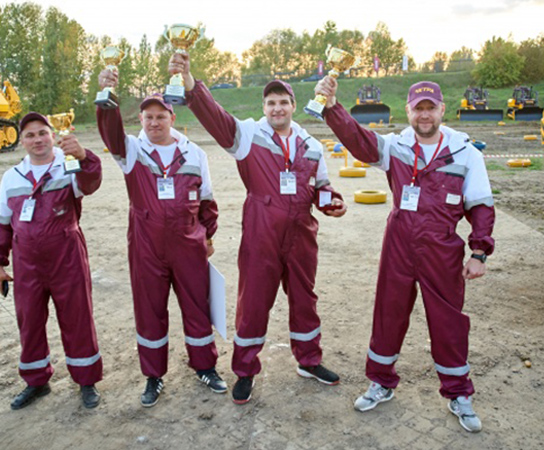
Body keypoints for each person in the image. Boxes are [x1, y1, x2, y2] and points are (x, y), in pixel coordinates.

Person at [315, 78, 495, 432]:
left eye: (430, 108)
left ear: (442, 110)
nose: (424, 115)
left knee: (448, 321)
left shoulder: (466, 152)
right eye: (418, 109)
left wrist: (479, 251)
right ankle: (381, 382)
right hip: (399, 240)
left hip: (442, 246)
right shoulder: (395, 146)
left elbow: (481, 205)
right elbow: (357, 139)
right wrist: (332, 106)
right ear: (408, 111)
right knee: (389, 311)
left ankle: (458, 392)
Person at [168, 53, 348, 405]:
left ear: (294, 105)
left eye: (283, 102)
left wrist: (332, 201)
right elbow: (215, 117)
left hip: (301, 233)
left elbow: (322, 186)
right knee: (253, 303)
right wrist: (190, 84)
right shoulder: (248, 135)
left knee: (305, 299)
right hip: (261, 231)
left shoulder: (311, 145)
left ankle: (309, 361)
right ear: (263, 106)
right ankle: (246, 371)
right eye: (271, 102)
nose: (277, 108)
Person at [97, 70, 226, 408]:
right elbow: (110, 133)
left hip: (188, 244)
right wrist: (107, 94)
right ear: (140, 119)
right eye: (148, 117)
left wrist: (208, 235)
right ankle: (154, 376)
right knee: (150, 310)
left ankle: (206, 366)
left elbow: (208, 200)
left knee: (197, 306)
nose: (154, 122)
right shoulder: (131, 151)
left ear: (172, 117)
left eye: (161, 116)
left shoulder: (195, 153)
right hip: (147, 246)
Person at [0, 112, 104, 410]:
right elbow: (3, 224)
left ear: (53, 136)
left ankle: (86, 380)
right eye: (30, 135)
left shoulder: (67, 167)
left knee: (77, 318)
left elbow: (91, 182)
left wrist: (84, 155)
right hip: (27, 263)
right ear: (22, 141)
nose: (37, 139)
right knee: (29, 321)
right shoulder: (11, 177)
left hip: (67, 256)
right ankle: (36, 381)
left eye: (43, 133)